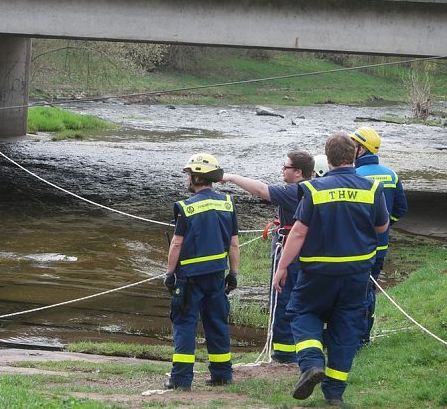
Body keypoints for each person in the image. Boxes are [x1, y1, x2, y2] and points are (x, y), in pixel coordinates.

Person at [272, 133, 389, 406]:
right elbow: (382, 227)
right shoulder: (372, 189)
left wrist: (282, 267)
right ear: (354, 155)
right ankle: (334, 393)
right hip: (356, 273)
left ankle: (312, 364)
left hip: (317, 272)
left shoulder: (314, 189)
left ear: (329, 157)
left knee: (303, 312)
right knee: (346, 328)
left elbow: (299, 233)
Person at [222, 150, 314, 364]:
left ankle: (283, 354)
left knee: (281, 299)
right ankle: (302, 349)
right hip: (310, 253)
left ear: (298, 172)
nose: (282, 170)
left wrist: (231, 177)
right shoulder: (314, 189)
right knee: (304, 301)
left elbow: (261, 190)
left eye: (286, 167)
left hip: (290, 253)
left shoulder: (295, 191)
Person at [164, 153, 240, 391]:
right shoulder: (227, 203)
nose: (187, 179)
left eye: (188, 175)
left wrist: (169, 273)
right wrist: (234, 274)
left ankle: (181, 379)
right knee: (217, 323)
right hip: (217, 275)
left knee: (185, 324)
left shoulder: (186, 208)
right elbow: (234, 244)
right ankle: (221, 375)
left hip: (189, 278)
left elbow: (176, 243)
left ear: (197, 177)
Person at [349, 126, 408, 345]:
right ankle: (365, 335)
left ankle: (355, 337)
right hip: (380, 247)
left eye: (353, 145)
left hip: (356, 247)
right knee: (369, 289)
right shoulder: (391, 174)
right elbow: (401, 209)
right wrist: (383, 227)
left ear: (361, 149)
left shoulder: (353, 175)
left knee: (355, 292)